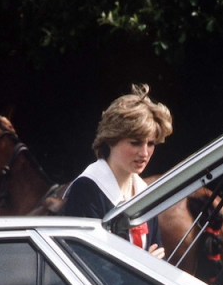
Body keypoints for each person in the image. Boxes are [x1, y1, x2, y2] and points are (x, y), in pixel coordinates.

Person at [64, 84, 172, 258]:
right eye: (135, 142)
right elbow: (86, 263)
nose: (144, 153)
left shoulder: (145, 193)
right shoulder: (87, 189)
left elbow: (158, 258)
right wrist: (143, 265)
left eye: (151, 143)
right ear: (111, 140)